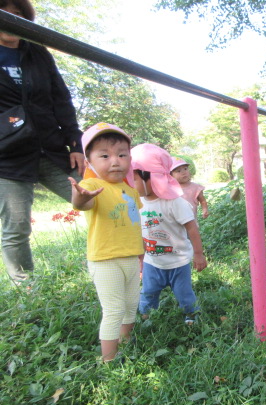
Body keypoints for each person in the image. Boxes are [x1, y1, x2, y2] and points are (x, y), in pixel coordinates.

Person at [0, 0, 84, 284]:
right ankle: (28, 295)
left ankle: (128, 261)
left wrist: (76, 144)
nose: (11, 20)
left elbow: (61, 98)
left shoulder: (38, 53)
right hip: (8, 157)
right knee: (17, 228)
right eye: (5, 14)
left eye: (18, 15)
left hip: (52, 149)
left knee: (97, 198)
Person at [68, 123, 143, 362]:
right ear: (89, 161)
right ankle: (109, 361)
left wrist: (141, 253)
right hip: (105, 260)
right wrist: (80, 196)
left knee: (132, 304)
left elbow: (134, 223)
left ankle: (126, 342)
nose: (115, 161)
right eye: (104, 155)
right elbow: (82, 203)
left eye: (122, 155)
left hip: (131, 258)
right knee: (114, 310)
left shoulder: (129, 190)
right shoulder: (91, 186)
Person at [131, 144, 207, 326]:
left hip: (178, 261)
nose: (130, 185)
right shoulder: (137, 203)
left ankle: (191, 315)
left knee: (184, 293)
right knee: (148, 292)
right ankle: (146, 318)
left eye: (133, 179)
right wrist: (140, 260)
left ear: (152, 178)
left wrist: (198, 254)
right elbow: (139, 232)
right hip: (152, 262)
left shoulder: (174, 202)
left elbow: (192, 228)